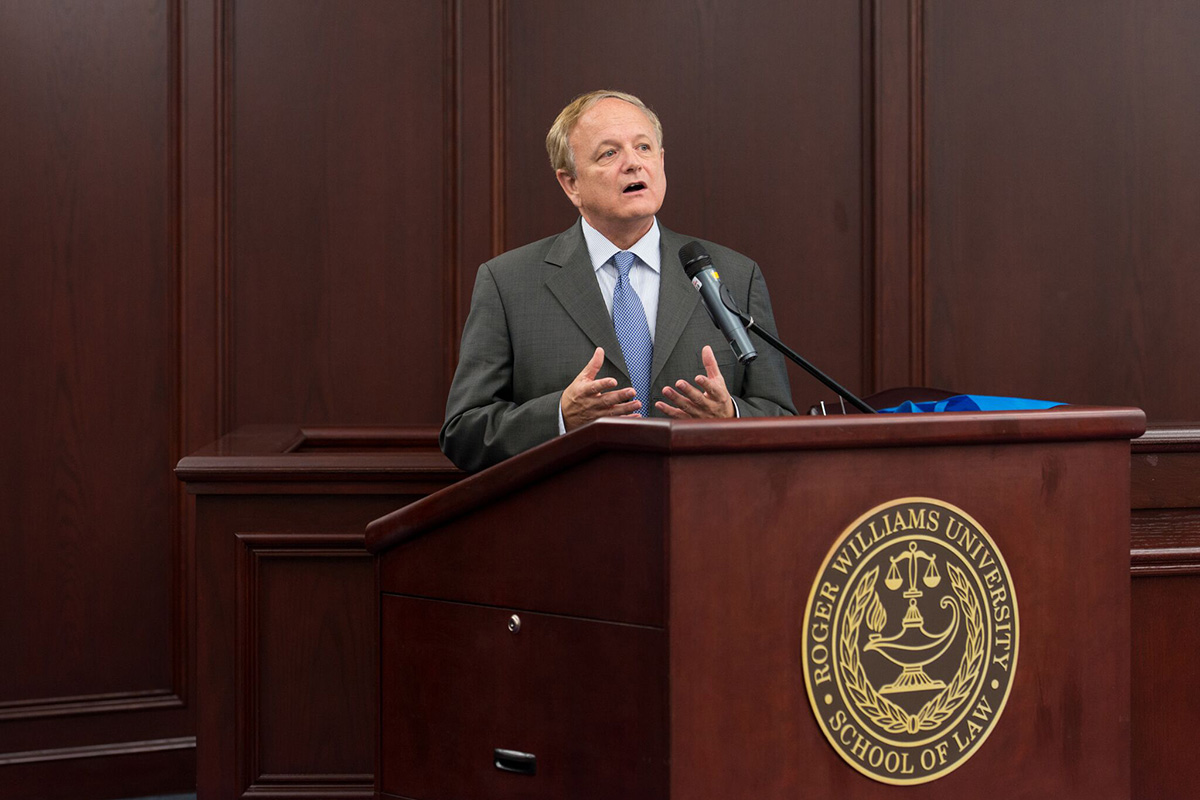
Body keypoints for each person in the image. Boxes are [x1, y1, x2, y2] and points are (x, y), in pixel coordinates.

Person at [440, 90, 796, 472]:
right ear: (570, 183)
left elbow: (780, 417)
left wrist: (730, 418)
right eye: (609, 153)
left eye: (644, 148)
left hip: (701, 519)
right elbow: (463, 432)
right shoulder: (508, 282)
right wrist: (560, 417)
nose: (633, 164)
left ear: (661, 162)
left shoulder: (735, 275)